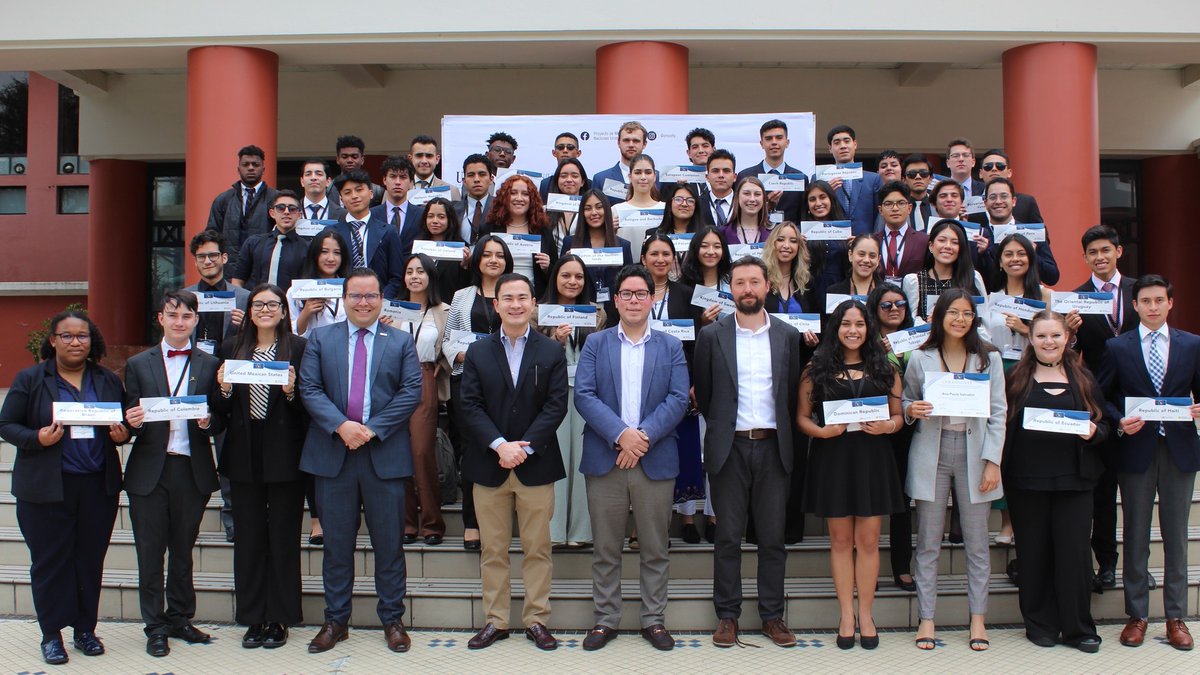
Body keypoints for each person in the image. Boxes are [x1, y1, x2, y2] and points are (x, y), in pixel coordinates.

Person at [298, 268, 423, 654]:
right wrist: (341, 426)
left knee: (389, 544)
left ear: (381, 299)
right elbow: (309, 388)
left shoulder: (400, 341)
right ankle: (336, 621)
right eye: (356, 296)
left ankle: (393, 620)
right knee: (336, 545)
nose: (364, 303)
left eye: (371, 296)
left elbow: (411, 391)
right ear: (344, 299)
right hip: (334, 455)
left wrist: (371, 429)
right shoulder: (321, 338)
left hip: (383, 454)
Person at [0, 311, 128, 665]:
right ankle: (51, 635)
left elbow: (123, 423)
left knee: (89, 560)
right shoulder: (31, 379)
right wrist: (36, 438)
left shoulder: (107, 380)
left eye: (82, 336)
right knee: (50, 563)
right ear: (53, 340)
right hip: (45, 490)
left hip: (96, 488)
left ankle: (85, 630)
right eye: (67, 336)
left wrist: (124, 435)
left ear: (92, 340)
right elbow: (6, 424)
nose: (75, 342)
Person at [574, 265, 690, 652]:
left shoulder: (670, 346)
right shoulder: (597, 343)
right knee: (606, 548)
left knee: (655, 547)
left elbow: (678, 398)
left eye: (641, 293)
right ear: (616, 300)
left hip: (654, 458)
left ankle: (653, 620)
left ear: (652, 299)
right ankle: (606, 619)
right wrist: (621, 435)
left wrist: (643, 437)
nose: (634, 300)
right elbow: (584, 395)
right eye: (627, 294)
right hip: (605, 458)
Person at [694, 257, 802, 648]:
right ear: (731, 289)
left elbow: (791, 393)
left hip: (773, 447)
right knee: (727, 537)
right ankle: (727, 616)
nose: (747, 289)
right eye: (739, 283)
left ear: (767, 285)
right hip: (730, 447)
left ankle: (773, 616)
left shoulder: (788, 335)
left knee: (772, 538)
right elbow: (706, 396)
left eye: (754, 282)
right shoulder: (712, 336)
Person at [459, 273, 569, 652]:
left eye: (523, 297)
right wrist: (500, 445)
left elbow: (556, 406)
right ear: (496, 304)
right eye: (508, 298)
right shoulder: (478, 352)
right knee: (493, 549)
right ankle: (496, 620)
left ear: (534, 303)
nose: (516, 304)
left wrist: (525, 448)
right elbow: (469, 406)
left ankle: (537, 620)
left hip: (536, 465)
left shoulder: (551, 351)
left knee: (538, 548)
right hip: (489, 465)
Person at [1098, 274, 1200, 651]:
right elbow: (1102, 396)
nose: (1153, 307)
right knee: (1136, 534)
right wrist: (1118, 420)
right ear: (1135, 305)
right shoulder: (1117, 347)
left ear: (1170, 303)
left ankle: (1176, 617)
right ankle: (1137, 615)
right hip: (1135, 448)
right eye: (1146, 301)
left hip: (1179, 449)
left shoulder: (1192, 344)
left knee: (1176, 536)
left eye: (1159, 300)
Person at [797, 299, 905, 650]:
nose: (853, 330)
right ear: (835, 328)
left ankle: (866, 614)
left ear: (869, 328)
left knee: (869, 541)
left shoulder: (885, 367)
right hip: (834, 458)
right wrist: (822, 432)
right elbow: (801, 418)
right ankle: (846, 615)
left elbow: (899, 416)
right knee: (841, 541)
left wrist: (889, 426)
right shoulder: (816, 368)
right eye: (846, 324)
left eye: (859, 324)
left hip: (873, 459)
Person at [902, 289, 1006, 651]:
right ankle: (926, 619)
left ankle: (977, 619)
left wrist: (993, 460)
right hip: (932, 449)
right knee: (928, 542)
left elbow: (999, 412)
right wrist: (910, 409)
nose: (960, 319)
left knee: (977, 544)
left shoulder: (988, 358)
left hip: (975, 451)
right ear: (939, 316)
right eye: (953, 312)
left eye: (967, 313)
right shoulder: (921, 356)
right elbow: (906, 398)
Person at [122, 290, 222, 657]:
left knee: (183, 550)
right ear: (160, 318)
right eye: (173, 315)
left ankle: (180, 618)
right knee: (150, 553)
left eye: (186, 316)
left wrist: (208, 421)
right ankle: (155, 626)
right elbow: (128, 421)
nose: (179, 322)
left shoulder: (211, 364)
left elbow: (221, 419)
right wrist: (131, 422)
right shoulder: (137, 364)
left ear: (196, 320)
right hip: (150, 470)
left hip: (191, 468)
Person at [1003, 310, 1107, 653]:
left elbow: (1105, 425)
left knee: (1074, 556)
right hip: (1026, 482)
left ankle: (1078, 628)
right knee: (1033, 555)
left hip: (1074, 482)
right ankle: (1040, 624)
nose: (1049, 342)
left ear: (1067, 338)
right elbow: (1000, 426)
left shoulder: (1084, 378)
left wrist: (1094, 432)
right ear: (1030, 339)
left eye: (1056, 336)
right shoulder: (1014, 378)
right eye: (1042, 336)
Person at [212, 284, 308, 649]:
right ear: (249, 311)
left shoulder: (298, 348)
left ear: (284, 311)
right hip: (243, 451)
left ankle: (280, 617)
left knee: (283, 537)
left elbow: (309, 406)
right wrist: (222, 389)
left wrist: (291, 391)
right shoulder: (230, 348)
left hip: (284, 452)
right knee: (249, 538)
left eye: (272, 304)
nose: (265, 309)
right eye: (258, 304)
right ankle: (253, 617)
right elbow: (220, 409)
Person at [1063, 224, 1138, 590]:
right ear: (1085, 258)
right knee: (1103, 491)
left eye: (1106, 250)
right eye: (1092, 252)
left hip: (1140, 400)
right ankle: (1106, 562)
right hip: (1098, 400)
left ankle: (1137, 566)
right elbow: (1069, 354)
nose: (1100, 257)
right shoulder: (1075, 299)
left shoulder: (1140, 291)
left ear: (1118, 251)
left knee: (1138, 491)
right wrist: (1070, 332)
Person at [443, 235, 515, 551]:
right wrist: (462, 355)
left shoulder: (516, 292)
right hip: (468, 379)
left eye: (499, 255)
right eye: (487, 254)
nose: (493, 260)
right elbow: (448, 340)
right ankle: (472, 522)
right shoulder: (461, 296)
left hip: (508, 382)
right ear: (477, 260)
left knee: (504, 444)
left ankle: (501, 520)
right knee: (474, 448)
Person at [535, 254, 605, 547]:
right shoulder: (539, 312)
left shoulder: (597, 313)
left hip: (587, 393)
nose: (572, 282)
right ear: (555, 278)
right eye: (566, 275)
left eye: (578, 276)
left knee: (582, 460)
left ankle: (580, 532)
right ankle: (553, 531)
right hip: (551, 394)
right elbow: (531, 357)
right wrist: (555, 343)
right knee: (556, 459)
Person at [640, 233, 706, 542]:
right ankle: (650, 524)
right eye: (654, 254)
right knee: (649, 451)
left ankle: (688, 518)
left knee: (685, 450)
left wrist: (694, 383)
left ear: (674, 259)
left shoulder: (687, 294)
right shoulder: (634, 291)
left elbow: (698, 343)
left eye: (666, 254)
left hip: (680, 381)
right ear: (643, 258)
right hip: (642, 382)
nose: (660, 259)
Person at [387, 254, 451, 546]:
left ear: (430, 277)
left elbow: (452, 345)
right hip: (392, 380)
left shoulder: (443, 310)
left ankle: (432, 523)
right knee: (398, 450)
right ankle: (406, 523)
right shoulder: (391, 309)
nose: (414, 276)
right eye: (409, 271)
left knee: (422, 450)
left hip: (424, 376)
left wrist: (442, 365)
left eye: (421, 271)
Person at [867, 283, 917, 592]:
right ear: (875, 310)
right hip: (871, 426)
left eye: (900, 303)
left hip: (908, 427)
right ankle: (864, 565)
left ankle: (902, 566)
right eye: (886, 305)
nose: (894, 309)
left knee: (902, 498)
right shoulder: (864, 341)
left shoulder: (919, 341)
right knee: (868, 497)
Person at [563, 189, 634, 325]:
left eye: (599, 207)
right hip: (581, 314)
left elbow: (629, 284)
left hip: (615, 314)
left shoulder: (623, 246)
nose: (594, 212)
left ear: (607, 210)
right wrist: (568, 263)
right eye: (588, 208)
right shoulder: (570, 243)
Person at [330, 169, 405, 298]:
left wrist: (380, 300)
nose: (354, 196)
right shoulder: (332, 233)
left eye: (359, 190)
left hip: (379, 302)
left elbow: (397, 277)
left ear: (370, 193)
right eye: (347, 192)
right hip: (342, 302)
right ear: (341, 199)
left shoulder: (388, 232)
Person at [971, 177, 1060, 285]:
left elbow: (1052, 277)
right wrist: (983, 255)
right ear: (985, 203)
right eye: (993, 197)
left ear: (1013, 201)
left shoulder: (1032, 232)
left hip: (1029, 293)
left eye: (1004, 196)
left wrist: (1032, 254)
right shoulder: (979, 236)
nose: (998, 201)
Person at [205, 144, 278, 268]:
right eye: (246, 164)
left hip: (265, 266)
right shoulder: (223, 200)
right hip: (230, 267)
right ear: (238, 169)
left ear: (263, 169)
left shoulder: (276, 199)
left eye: (255, 164)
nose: (251, 168)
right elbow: (212, 235)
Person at [482, 174, 556, 294]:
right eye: (513, 193)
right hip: (497, 294)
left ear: (532, 199)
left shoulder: (543, 229)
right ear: (504, 197)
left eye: (525, 194)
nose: (519, 198)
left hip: (534, 296)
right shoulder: (490, 227)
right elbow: (480, 263)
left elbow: (556, 270)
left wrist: (547, 267)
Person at [901, 219, 987, 323]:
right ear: (931, 246)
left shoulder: (973, 277)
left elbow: (984, 322)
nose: (947, 246)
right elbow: (910, 323)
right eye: (942, 240)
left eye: (955, 242)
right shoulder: (915, 281)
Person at [231, 190, 308, 291]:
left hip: (290, 300)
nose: (286, 212)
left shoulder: (307, 248)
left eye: (292, 209)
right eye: (280, 208)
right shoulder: (253, 243)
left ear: (299, 215)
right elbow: (237, 281)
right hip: (256, 300)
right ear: (272, 213)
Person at [737, 119, 807, 224]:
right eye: (769, 138)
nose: (774, 142)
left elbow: (803, 216)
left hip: (789, 232)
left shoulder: (800, 178)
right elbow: (738, 212)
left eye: (779, 138)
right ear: (761, 144)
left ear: (787, 142)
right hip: (755, 232)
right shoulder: (745, 176)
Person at [824, 125, 883, 235]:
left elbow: (881, 214)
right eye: (837, 143)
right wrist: (826, 193)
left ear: (855, 144)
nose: (843, 146)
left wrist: (874, 240)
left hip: (865, 241)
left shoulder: (873, 179)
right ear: (830, 148)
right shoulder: (820, 178)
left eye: (847, 141)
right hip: (832, 241)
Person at [802, 179, 852, 303]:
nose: (818, 203)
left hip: (840, 294)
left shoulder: (845, 231)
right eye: (812, 199)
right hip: (808, 294)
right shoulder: (800, 233)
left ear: (831, 200)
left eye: (822, 197)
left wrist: (856, 247)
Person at [414, 196, 471, 303]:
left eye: (441, 217)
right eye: (430, 216)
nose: (435, 221)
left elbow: (466, 286)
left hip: (448, 307)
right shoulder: (417, 246)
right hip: (420, 305)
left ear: (450, 219)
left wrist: (465, 266)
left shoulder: (461, 248)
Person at [875, 181, 929, 285]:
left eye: (901, 203)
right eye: (888, 204)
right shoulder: (873, 240)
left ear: (909, 208)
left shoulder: (924, 241)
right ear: (880, 210)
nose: (895, 208)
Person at [371, 155, 423, 254]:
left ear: (411, 182)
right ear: (384, 180)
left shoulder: (421, 215)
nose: (398, 182)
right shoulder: (372, 214)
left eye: (403, 177)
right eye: (393, 176)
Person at [976, 148, 1044, 224]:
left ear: (1009, 172)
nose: (994, 169)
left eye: (1000, 166)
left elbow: (1039, 231)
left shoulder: (1026, 202)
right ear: (980, 173)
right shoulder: (972, 203)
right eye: (988, 166)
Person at [591, 121, 650, 206]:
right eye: (626, 140)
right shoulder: (601, 179)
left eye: (636, 141)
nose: (631, 145)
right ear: (618, 143)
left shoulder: (658, 179)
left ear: (644, 144)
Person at [612, 153, 665, 243]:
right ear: (630, 177)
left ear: (654, 176)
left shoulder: (665, 209)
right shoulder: (615, 211)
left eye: (648, 172)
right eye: (638, 173)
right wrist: (610, 231)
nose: (643, 177)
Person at [544, 157, 590, 254]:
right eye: (564, 176)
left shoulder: (590, 211)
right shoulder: (544, 211)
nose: (569, 180)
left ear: (582, 182)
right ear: (557, 180)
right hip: (550, 262)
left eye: (575, 176)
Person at [327, 135, 384, 207]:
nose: (349, 160)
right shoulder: (328, 189)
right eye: (344, 157)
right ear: (337, 159)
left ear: (362, 160)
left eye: (354, 157)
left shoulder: (377, 191)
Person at [454, 154, 496, 242]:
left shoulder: (500, 207)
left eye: (482, 174)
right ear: (464, 181)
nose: (476, 179)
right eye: (471, 175)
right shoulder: (453, 210)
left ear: (491, 179)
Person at [827, 234, 882, 299]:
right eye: (861, 254)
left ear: (878, 259)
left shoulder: (887, 292)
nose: (866, 260)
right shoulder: (834, 292)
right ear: (850, 255)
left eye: (872, 256)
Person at [409, 134, 461, 200]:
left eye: (429, 156)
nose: (424, 161)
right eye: (419, 156)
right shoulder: (401, 190)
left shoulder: (452, 191)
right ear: (410, 159)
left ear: (437, 159)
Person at [721, 176, 770, 245]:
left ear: (763, 199)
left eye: (757, 194)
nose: (752, 199)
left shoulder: (774, 233)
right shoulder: (722, 233)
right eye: (746, 193)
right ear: (737, 197)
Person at [538, 132, 583, 200]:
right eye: (560, 147)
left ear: (578, 153)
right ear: (554, 153)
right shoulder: (545, 184)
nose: (565, 150)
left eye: (570, 147)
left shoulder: (590, 185)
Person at [700, 149, 738, 228]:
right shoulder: (697, 204)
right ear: (707, 177)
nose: (721, 175)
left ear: (734, 177)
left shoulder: (743, 202)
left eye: (726, 171)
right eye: (715, 171)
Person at [299, 158, 346, 222]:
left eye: (319, 174)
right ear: (302, 181)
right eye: (308, 174)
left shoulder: (343, 214)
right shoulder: (291, 210)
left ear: (328, 181)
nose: (313, 178)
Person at [900, 154, 936, 232]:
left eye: (923, 173)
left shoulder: (938, 205)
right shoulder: (896, 206)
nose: (918, 177)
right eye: (912, 174)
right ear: (904, 180)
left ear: (930, 179)